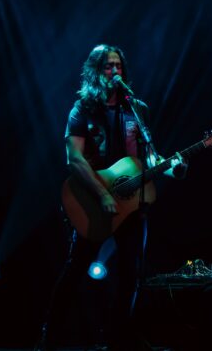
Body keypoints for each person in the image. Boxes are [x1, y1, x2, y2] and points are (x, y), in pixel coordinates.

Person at [38, 44, 186, 351]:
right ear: (95, 71)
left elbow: (150, 156)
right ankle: (50, 335)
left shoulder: (137, 109)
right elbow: (74, 159)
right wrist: (102, 193)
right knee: (76, 268)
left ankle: (119, 338)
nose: (114, 71)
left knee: (131, 273)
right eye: (108, 66)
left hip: (131, 204)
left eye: (118, 66)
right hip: (91, 200)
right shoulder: (82, 110)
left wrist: (173, 168)